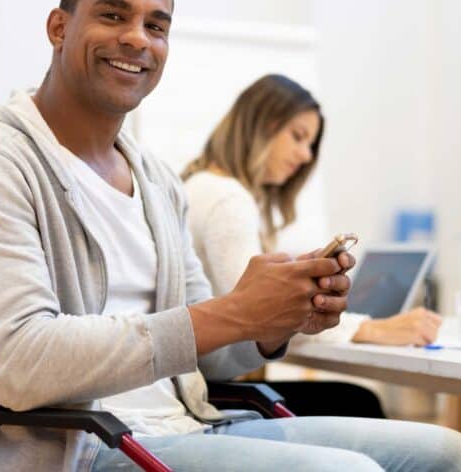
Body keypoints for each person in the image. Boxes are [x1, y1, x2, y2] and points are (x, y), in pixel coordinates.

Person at [0, 0, 461, 471]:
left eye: (156, 26)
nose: (138, 39)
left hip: (186, 427)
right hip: (78, 449)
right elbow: (15, 365)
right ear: (59, 27)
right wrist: (234, 313)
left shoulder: (158, 181)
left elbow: (209, 363)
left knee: (453, 456)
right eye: (113, 16)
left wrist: (276, 319)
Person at [182, 74, 443, 350]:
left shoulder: (200, 184)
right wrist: (371, 328)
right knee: (359, 396)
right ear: (259, 128)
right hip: (216, 380)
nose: (306, 155)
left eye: (310, 145)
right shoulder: (228, 199)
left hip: (206, 371)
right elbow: (264, 312)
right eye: (298, 137)